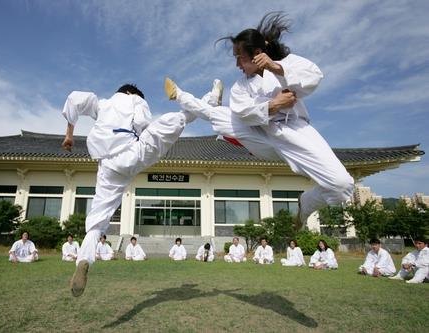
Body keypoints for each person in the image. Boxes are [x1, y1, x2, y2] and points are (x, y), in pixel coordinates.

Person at [165, 12, 354, 230]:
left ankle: (307, 202)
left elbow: (314, 76)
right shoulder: (240, 86)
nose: (237, 64)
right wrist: (274, 104)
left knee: (342, 186)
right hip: (259, 132)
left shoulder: (286, 63)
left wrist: (276, 68)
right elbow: (244, 112)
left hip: (294, 131)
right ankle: (180, 95)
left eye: (240, 57)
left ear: (257, 54)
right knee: (216, 115)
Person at [61, 84, 196, 296]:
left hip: (106, 164)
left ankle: (84, 259)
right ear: (132, 93)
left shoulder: (103, 105)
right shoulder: (136, 100)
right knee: (171, 122)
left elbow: (74, 98)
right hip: (131, 153)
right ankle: (203, 105)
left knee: (97, 220)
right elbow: (143, 123)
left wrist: (69, 134)